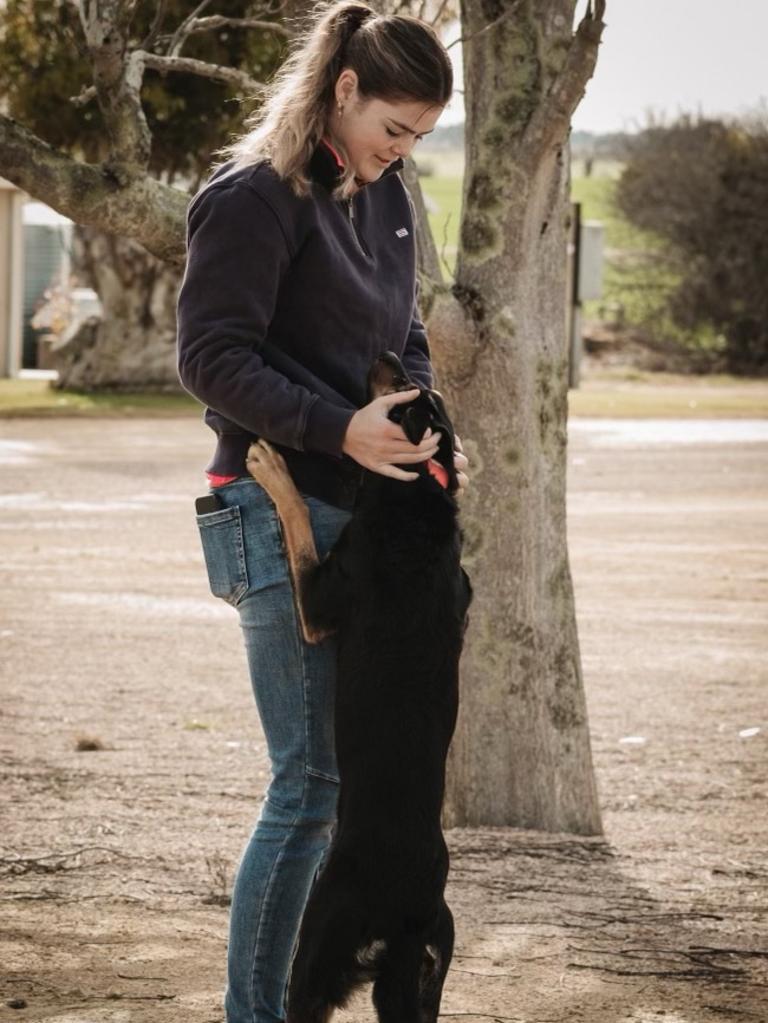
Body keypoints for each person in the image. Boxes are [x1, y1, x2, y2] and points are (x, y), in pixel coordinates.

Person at [176, 2, 468, 1020]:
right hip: (275, 505)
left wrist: (408, 412)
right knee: (308, 790)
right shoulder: (252, 199)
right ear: (343, 91)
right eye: (394, 129)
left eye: (421, 139)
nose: (402, 154)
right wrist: (339, 426)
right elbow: (208, 357)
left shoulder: (388, 201)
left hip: (367, 516)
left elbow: (409, 335)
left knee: (339, 795)